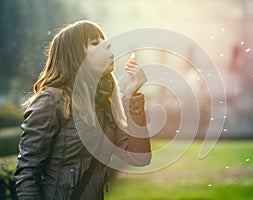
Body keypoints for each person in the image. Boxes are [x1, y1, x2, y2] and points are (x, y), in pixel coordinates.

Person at [14, 20, 152, 200]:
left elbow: (139, 158)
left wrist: (132, 96)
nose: (107, 44)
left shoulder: (103, 103)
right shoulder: (52, 100)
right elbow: (26, 174)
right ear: (75, 55)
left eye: (104, 40)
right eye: (95, 42)